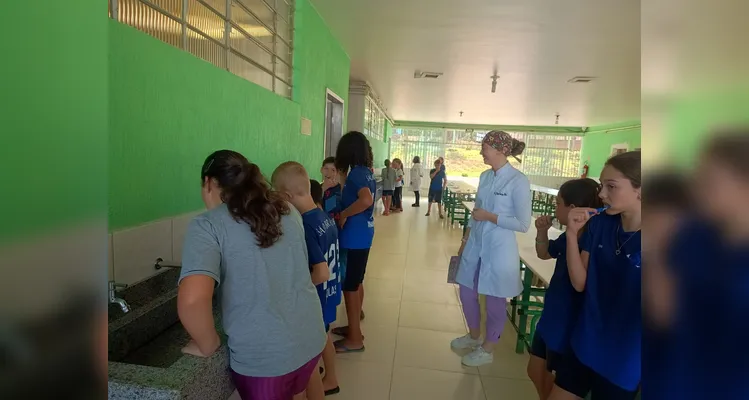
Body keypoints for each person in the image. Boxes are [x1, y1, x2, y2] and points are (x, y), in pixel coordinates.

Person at [177, 150, 325, 400]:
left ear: (209, 183)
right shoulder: (288, 210)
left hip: (266, 360)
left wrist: (208, 344)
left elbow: (192, 301)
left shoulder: (208, 225)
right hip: (310, 337)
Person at [648, 132, 749, 400]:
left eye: (710, 180)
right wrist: (657, 247)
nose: (697, 189)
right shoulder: (694, 236)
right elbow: (664, 315)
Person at [548, 151, 641, 400]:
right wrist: (570, 234)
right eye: (602, 186)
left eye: (611, 186)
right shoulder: (601, 224)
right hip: (585, 341)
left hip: (625, 358)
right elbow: (580, 283)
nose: (601, 194)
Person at [451, 130, 531, 367]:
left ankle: (488, 348)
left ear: (499, 150)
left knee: (495, 302)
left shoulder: (518, 181)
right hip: (475, 244)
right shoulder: (485, 177)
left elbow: (524, 224)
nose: (481, 152)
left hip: (498, 249)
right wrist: (465, 240)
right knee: (466, 292)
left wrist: (490, 217)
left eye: (484, 148)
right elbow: (476, 210)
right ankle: (474, 336)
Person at [528, 178, 603, 399]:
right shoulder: (570, 235)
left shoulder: (589, 239)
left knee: (558, 383)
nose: (554, 208)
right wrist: (542, 231)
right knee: (535, 370)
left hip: (567, 321)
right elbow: (544, 254)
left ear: (573, 209)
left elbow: (581, 283)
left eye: (558, 203)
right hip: (553, 315)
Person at [271, 163, 342, 397]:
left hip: (318, 298)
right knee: (325, 336)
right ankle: (331, 376)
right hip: (331, 291)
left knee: (312, 355)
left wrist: (296, 288)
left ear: (286, 196)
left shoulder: (305, 224)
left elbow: (319, 272)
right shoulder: (322, 216)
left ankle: (325, 381)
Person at [332, 131, 375, 353]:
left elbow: (366, 200)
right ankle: (354, 326)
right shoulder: (366, 172)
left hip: (353, 237)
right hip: (363, 235)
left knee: (349, 286)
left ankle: (355, 339)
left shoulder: (356, 174)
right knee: (356, 282)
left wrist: (345, 214)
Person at [320, 157, 342, 224]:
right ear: (321, 170)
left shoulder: (339, 191)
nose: (329, 173)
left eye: (333, 170)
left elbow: (326, 209)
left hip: (334, 228)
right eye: (326, 168)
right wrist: (323, 188)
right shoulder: (318, 188)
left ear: (337, 173)